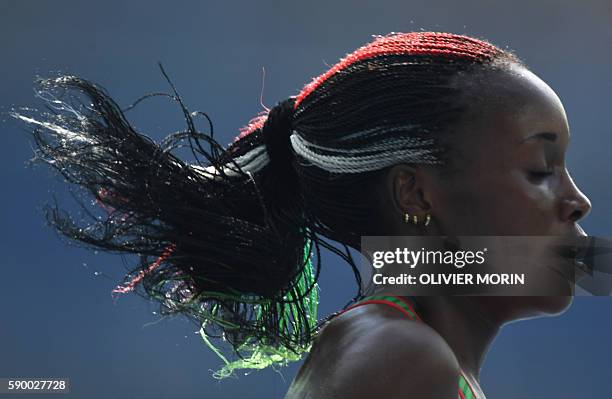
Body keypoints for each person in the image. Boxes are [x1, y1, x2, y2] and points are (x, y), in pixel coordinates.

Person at [14, 32, 591, 398]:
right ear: (415, 195)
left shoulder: (402, 352)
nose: (578, 201)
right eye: (540, 169)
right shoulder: (399, 359)